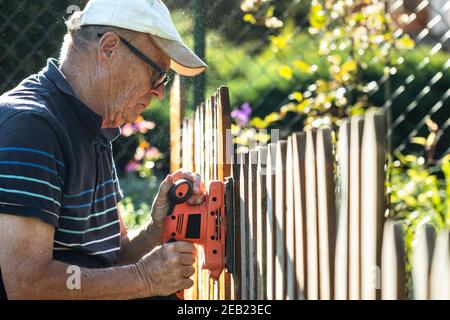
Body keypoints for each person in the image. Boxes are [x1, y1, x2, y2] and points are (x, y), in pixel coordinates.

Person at [0, 0, 208, 300]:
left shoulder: (92, 126)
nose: (160, 92)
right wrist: (144, 278)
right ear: (109, 48)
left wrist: (154, 230)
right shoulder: (32, 128)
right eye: (157, 74)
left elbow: (108, 261)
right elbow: (26, 284)